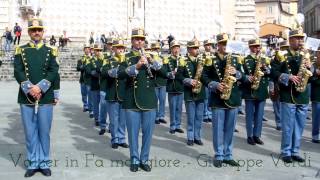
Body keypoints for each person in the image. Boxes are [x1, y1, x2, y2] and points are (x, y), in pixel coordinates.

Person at [13, 18, 59, 177]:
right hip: (26, 96)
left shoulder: (50, 50)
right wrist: (30, 88)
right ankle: (33, 162)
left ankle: (44, 162)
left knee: (44, 131)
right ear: (29, 32)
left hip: (45, 96)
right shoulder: (21, 49)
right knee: (30, 131)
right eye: (33, 30)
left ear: (43, 31)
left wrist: (40, 87)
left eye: (39, 29)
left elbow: (54, 71)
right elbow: (17, 71)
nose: (36, 32)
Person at [118, 28, 162, 172]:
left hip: (149, 99)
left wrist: (152, 61)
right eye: (137, 39)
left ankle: (144, 159)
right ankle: (134, 159)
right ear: (132, 41)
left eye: (142, 39)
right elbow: (121, 74)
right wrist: (136, 67)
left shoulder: (153, 56)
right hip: (132, 99)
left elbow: (163, 72)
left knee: (148, 133)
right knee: (132, 132)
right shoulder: (126, 57)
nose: (139, 41)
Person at [202, 33, 244, 168]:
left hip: (233, 97)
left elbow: (243, 76)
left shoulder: (236, 59)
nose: (225, 46)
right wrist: (214, 85)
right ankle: (219, 154)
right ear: (218, 45)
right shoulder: (210, 59)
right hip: (217, 98)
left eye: (227, 43)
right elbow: (204, 76)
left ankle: (228, 155)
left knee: (230, 128)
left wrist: (236, 73)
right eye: (223, 44)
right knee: (218, 128)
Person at [271, 27, 311, 163]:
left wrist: (309, 67)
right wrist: (288, 77)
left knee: (299, 126)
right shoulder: (281, 55)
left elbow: (309, 77)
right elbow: (273, 73)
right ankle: (286, 151)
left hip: (303, 95)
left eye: (301, 38)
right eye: (297, 38)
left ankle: (295, 151)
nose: (300, 41)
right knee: (288, 126)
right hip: (288, 95)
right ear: (291, 40)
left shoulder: (305, 56)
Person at [176, 39, 205, 146]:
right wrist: (188, 81)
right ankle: (190, 136)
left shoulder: (202, 60)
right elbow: (179, 76)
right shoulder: (183, 60)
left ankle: (197, 136)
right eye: (194, 48)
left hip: (200, 92)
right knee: (191, 117)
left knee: (199, 117)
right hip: (189, 92)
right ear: (189, 49)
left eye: (197, 48)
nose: (197, 50)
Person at [242, 38, 271, 146]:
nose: (257, 48)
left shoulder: (264, 59)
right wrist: (247, 77)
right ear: (250, 47)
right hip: (250, 89)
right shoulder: (245, 59)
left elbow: (269, 73)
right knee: (249, 115)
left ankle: (257, 135)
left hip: (261, 89)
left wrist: (266, 68)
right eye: (254, 46)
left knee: (259, 115)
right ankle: (249, 135)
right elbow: (241, 73)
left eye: (258, 46)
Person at [101, 39, 128, 149]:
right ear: (114, 49)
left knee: (123, 119)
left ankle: (122, 138)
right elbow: (103, 72)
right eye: (118, 47)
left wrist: (122, 62)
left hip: (124, 93)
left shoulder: (127, 61)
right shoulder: (108, 60)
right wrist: (110, 72)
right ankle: (114, 139)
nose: (120, 50)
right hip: (112, 93)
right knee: (113, 119)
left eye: (122, 48)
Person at [164, 40, 184, 134]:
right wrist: (170, 74)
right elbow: (164, 72)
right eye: (174, 48)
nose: (176, 50)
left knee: (179, 108)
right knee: (172, 107)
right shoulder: (168, 60)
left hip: (180, 87)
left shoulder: (182, 60)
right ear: (171, 49)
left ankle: (178, 125)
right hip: (172, 87)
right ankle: (172, 126)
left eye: (177, 48)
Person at [151, 42, 167, 124]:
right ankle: (156, 117)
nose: (156, 50)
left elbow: (165, 70)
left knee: (162, 100)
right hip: (155, 82)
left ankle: (161, 116)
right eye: (154, 49)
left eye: (157, 49)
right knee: (155, 101)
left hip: (162, 82)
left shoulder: (162, 58)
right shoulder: (150, 58)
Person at [76, 44, 91, 112]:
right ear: (84, 50)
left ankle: (91, 106)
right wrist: (84, 67)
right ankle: (85, 105)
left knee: (90, 94)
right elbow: (78, 68)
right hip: (82, 79)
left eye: (88, 49)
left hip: (90, 79)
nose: (87, 50)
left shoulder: (92, 59)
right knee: (84, 94)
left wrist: (83, 67)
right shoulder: (81, 59)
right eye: (86, 49)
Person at [202, 39, 214, 123]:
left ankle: (210, 113)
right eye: (207, 45)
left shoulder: (214, 55)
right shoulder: (201, 56)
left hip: (213, 79)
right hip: (205, 79)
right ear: (204, 46)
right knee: (205, 97)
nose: (208, 46)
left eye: (210, 45)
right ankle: (205, 114)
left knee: (211, 97)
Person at [310, 47, 320, 143]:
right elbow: (310, 80)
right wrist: (316, 75)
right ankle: (315, 136)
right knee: (316, 117)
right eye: (319, 54)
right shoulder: (313, 66)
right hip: (317, 95)